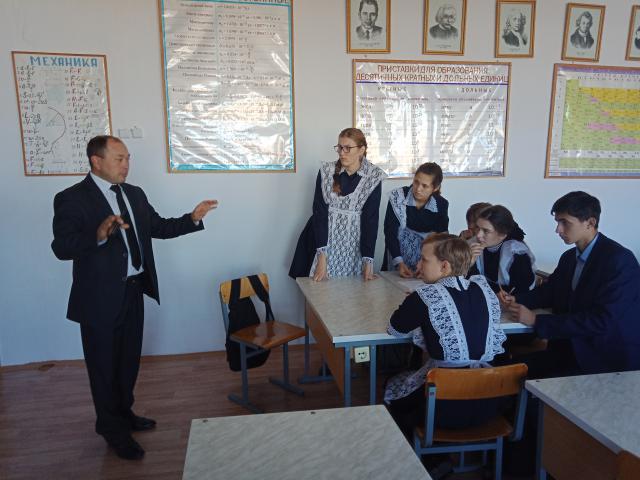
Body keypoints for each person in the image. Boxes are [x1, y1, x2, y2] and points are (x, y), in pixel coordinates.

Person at [51, 135, 217, 460]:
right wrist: (98, 235)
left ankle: (124, 414)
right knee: (103, 367)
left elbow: (159, 227)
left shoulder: (134, 194)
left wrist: (193, 218)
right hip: (98, 299)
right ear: (96, 161)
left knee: (128, 362)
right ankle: (111, 429)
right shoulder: (71, 198)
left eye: (128, 158)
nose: (126, 165)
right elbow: (62, 247)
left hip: (133, 290)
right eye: (119, 159)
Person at [501, 191, 640, 376]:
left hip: (603, 357)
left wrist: (535, 320)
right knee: (504, 367)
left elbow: (602, 321)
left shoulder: (619, 260)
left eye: (565, 222)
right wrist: (515, 300)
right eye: (557, 222)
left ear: (590, 223)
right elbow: (549, 293)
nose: (558, 230)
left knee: (511, 373)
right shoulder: (569, 257)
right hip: (569, 348)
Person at [384, 234, 507, 439]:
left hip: (443, 408)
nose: (418, 265)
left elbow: (394, 329)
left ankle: (418, 451)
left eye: (424, 260)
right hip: (488, 403)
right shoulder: (483, 289)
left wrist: (414, 304)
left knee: (391, 385)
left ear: (444, 266)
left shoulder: (426, 295)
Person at [289, 128, 385, 281]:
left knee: (350, 291)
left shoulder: (373, 177)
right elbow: (319, 213)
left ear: (361, 150)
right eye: (339, 147)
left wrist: (368, 260)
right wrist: (322, 257)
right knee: (316, 288)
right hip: (320, 241)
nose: (342, 152)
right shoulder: (326, 171)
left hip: (352, 246)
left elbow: (370, 220)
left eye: (347, 148)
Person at [383, 162, 448, 278]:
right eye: (416, 182)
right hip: (397, 256)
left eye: (425, 186)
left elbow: (441, 239)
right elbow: (390, 233)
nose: (418, 189)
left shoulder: (441, 205)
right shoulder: (398, 197)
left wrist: (425, 264)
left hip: (425, 261)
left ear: (435, 188)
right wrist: (399, 263)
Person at [468, 205, 536, 295]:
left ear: (503, 234)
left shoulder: (517, 254)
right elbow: (469, 282)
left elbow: (522, 292)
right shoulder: (474, 245)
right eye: (478, 228)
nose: (478, 235)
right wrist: (469, 264)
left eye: (486, 231)